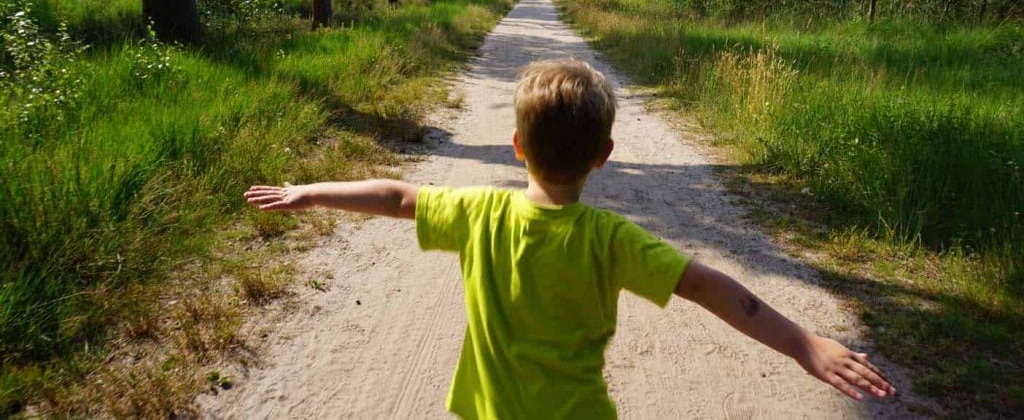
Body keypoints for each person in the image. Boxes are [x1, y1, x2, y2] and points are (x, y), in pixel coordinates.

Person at [245, 59, 895, 418]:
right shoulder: (611, 239)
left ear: (517, 146)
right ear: (604, 154)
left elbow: (397, 195)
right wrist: (803, 342)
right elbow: (707, 285)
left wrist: (310, 190)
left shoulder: (480, 214)